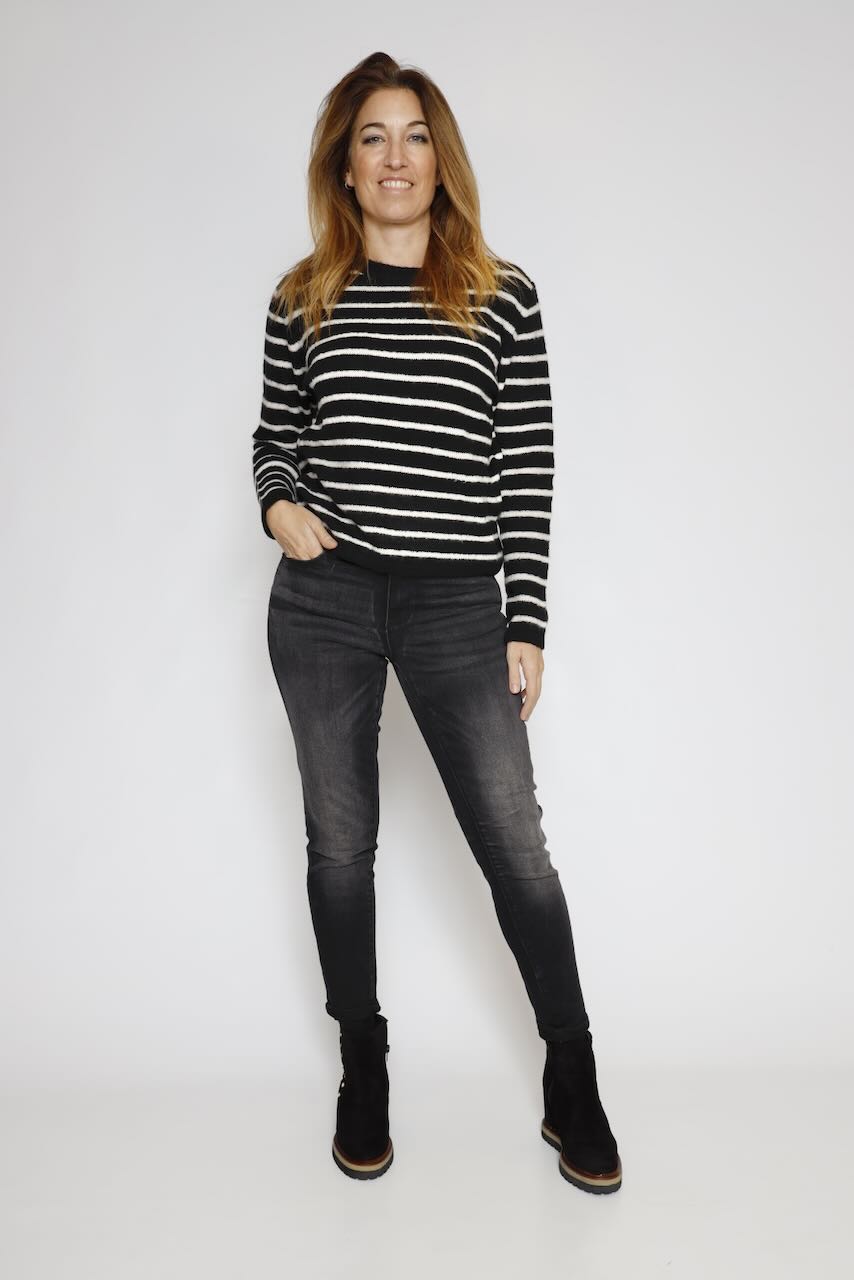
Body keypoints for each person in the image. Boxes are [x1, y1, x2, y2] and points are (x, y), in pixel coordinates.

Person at [252, 51, 622, 1194]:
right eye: (372, 137)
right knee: (338, 844)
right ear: (344, 166)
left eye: (414, 135)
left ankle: (571, 1074)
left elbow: (526, 464)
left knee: (513, 844)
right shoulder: (302, 296)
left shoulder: (500, 296)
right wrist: (276, 502)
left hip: (458, 599)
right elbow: (273, 436)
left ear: (439, 158)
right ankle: (362, 1061)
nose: (395, 156)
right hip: (325, 597)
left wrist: (527, 618)